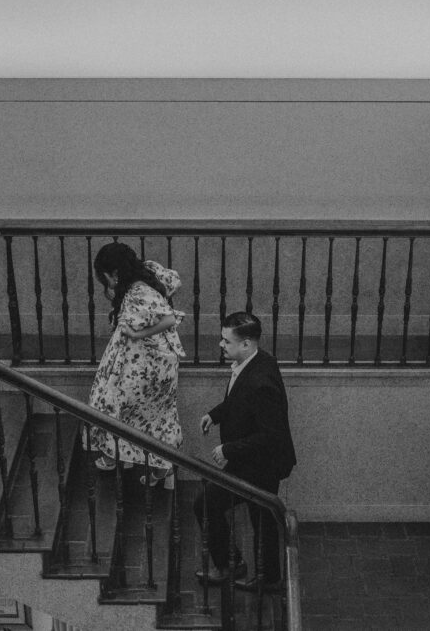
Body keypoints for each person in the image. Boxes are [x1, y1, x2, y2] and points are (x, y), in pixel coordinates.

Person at [193, 312, 296, 591]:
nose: (220, 345)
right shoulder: (256, 361)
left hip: (260, 463)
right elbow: (239, 401)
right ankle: (265, 576)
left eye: (226, 341)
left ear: (247, 343)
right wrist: (215, 414)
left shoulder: (262, 382)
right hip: (253, 461)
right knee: (260, 518)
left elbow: (270, 435)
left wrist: (228, 448)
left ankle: (240, 568)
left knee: (207, 503)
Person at [84, 242, 185, 488]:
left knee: (113, 402)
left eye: (105, 276)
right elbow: (172, 282)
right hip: (154, 359)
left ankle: (117, 456)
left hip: (147, 360)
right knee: (155, 415)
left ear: (114, 273)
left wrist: (138, 334)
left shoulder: (139, 290)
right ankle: (160, 466)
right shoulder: (146, 271)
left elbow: (170, 318)